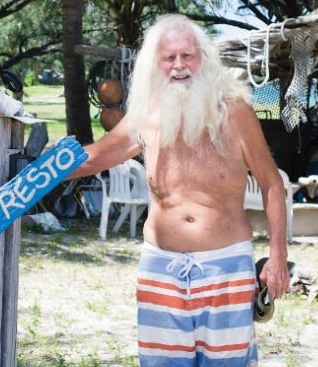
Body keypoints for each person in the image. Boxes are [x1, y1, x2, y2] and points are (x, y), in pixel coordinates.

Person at [69, 14, 290, 367]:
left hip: (226, 266)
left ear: (203, 56)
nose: (179, 66)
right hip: (161, 267)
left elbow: (271, 183)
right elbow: (96, 157)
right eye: (169, 58)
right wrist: (40, 170)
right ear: (156, 65)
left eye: (187, 55)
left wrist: (277, 257)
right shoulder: (146, 113)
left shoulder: (234, 111)